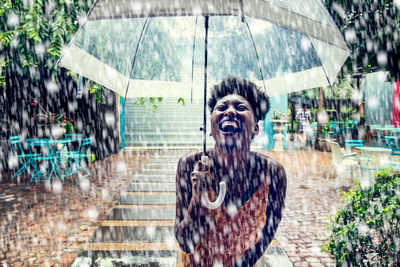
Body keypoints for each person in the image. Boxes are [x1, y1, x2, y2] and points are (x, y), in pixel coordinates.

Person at [174, 77, 287, 266]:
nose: (230, 111)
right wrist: (197, 198)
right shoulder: (189, 165)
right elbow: (185, 243)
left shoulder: (273, 174)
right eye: (221, 107)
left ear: (256, 128)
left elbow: (267, 234)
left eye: (241, 108)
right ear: (211, 128)